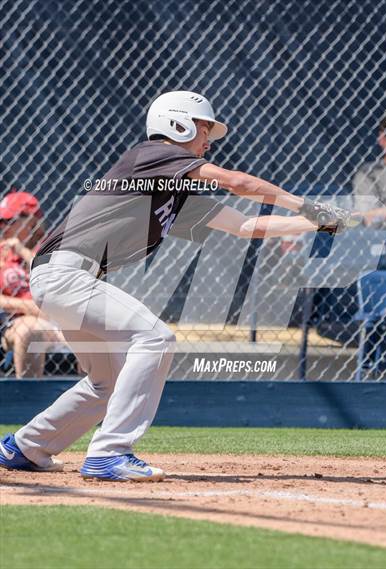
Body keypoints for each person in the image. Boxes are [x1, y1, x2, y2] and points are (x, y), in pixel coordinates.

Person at [0, 91, 357, 480]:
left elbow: (245, 226)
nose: (208, 139)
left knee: (107, 381)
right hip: (66, 275)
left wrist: (317, 223)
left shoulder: (171, 192)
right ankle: (109, 452)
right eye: (204, 128)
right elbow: (235, 181)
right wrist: (304, 205)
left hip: (67, 278)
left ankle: (25, 447)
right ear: (177, 125)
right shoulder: (152, 154)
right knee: (155, 337)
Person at [0, 191, 67, 377]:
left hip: (60, 323)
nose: (3, 227)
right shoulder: (1, 253)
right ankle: (29, 403)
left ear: (31, 221)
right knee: (30, 329)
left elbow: (56, 280)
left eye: (8, 221)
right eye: (1, 222)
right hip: (18, 323)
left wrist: (22, 252)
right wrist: (32, 308)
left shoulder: (53, 247)